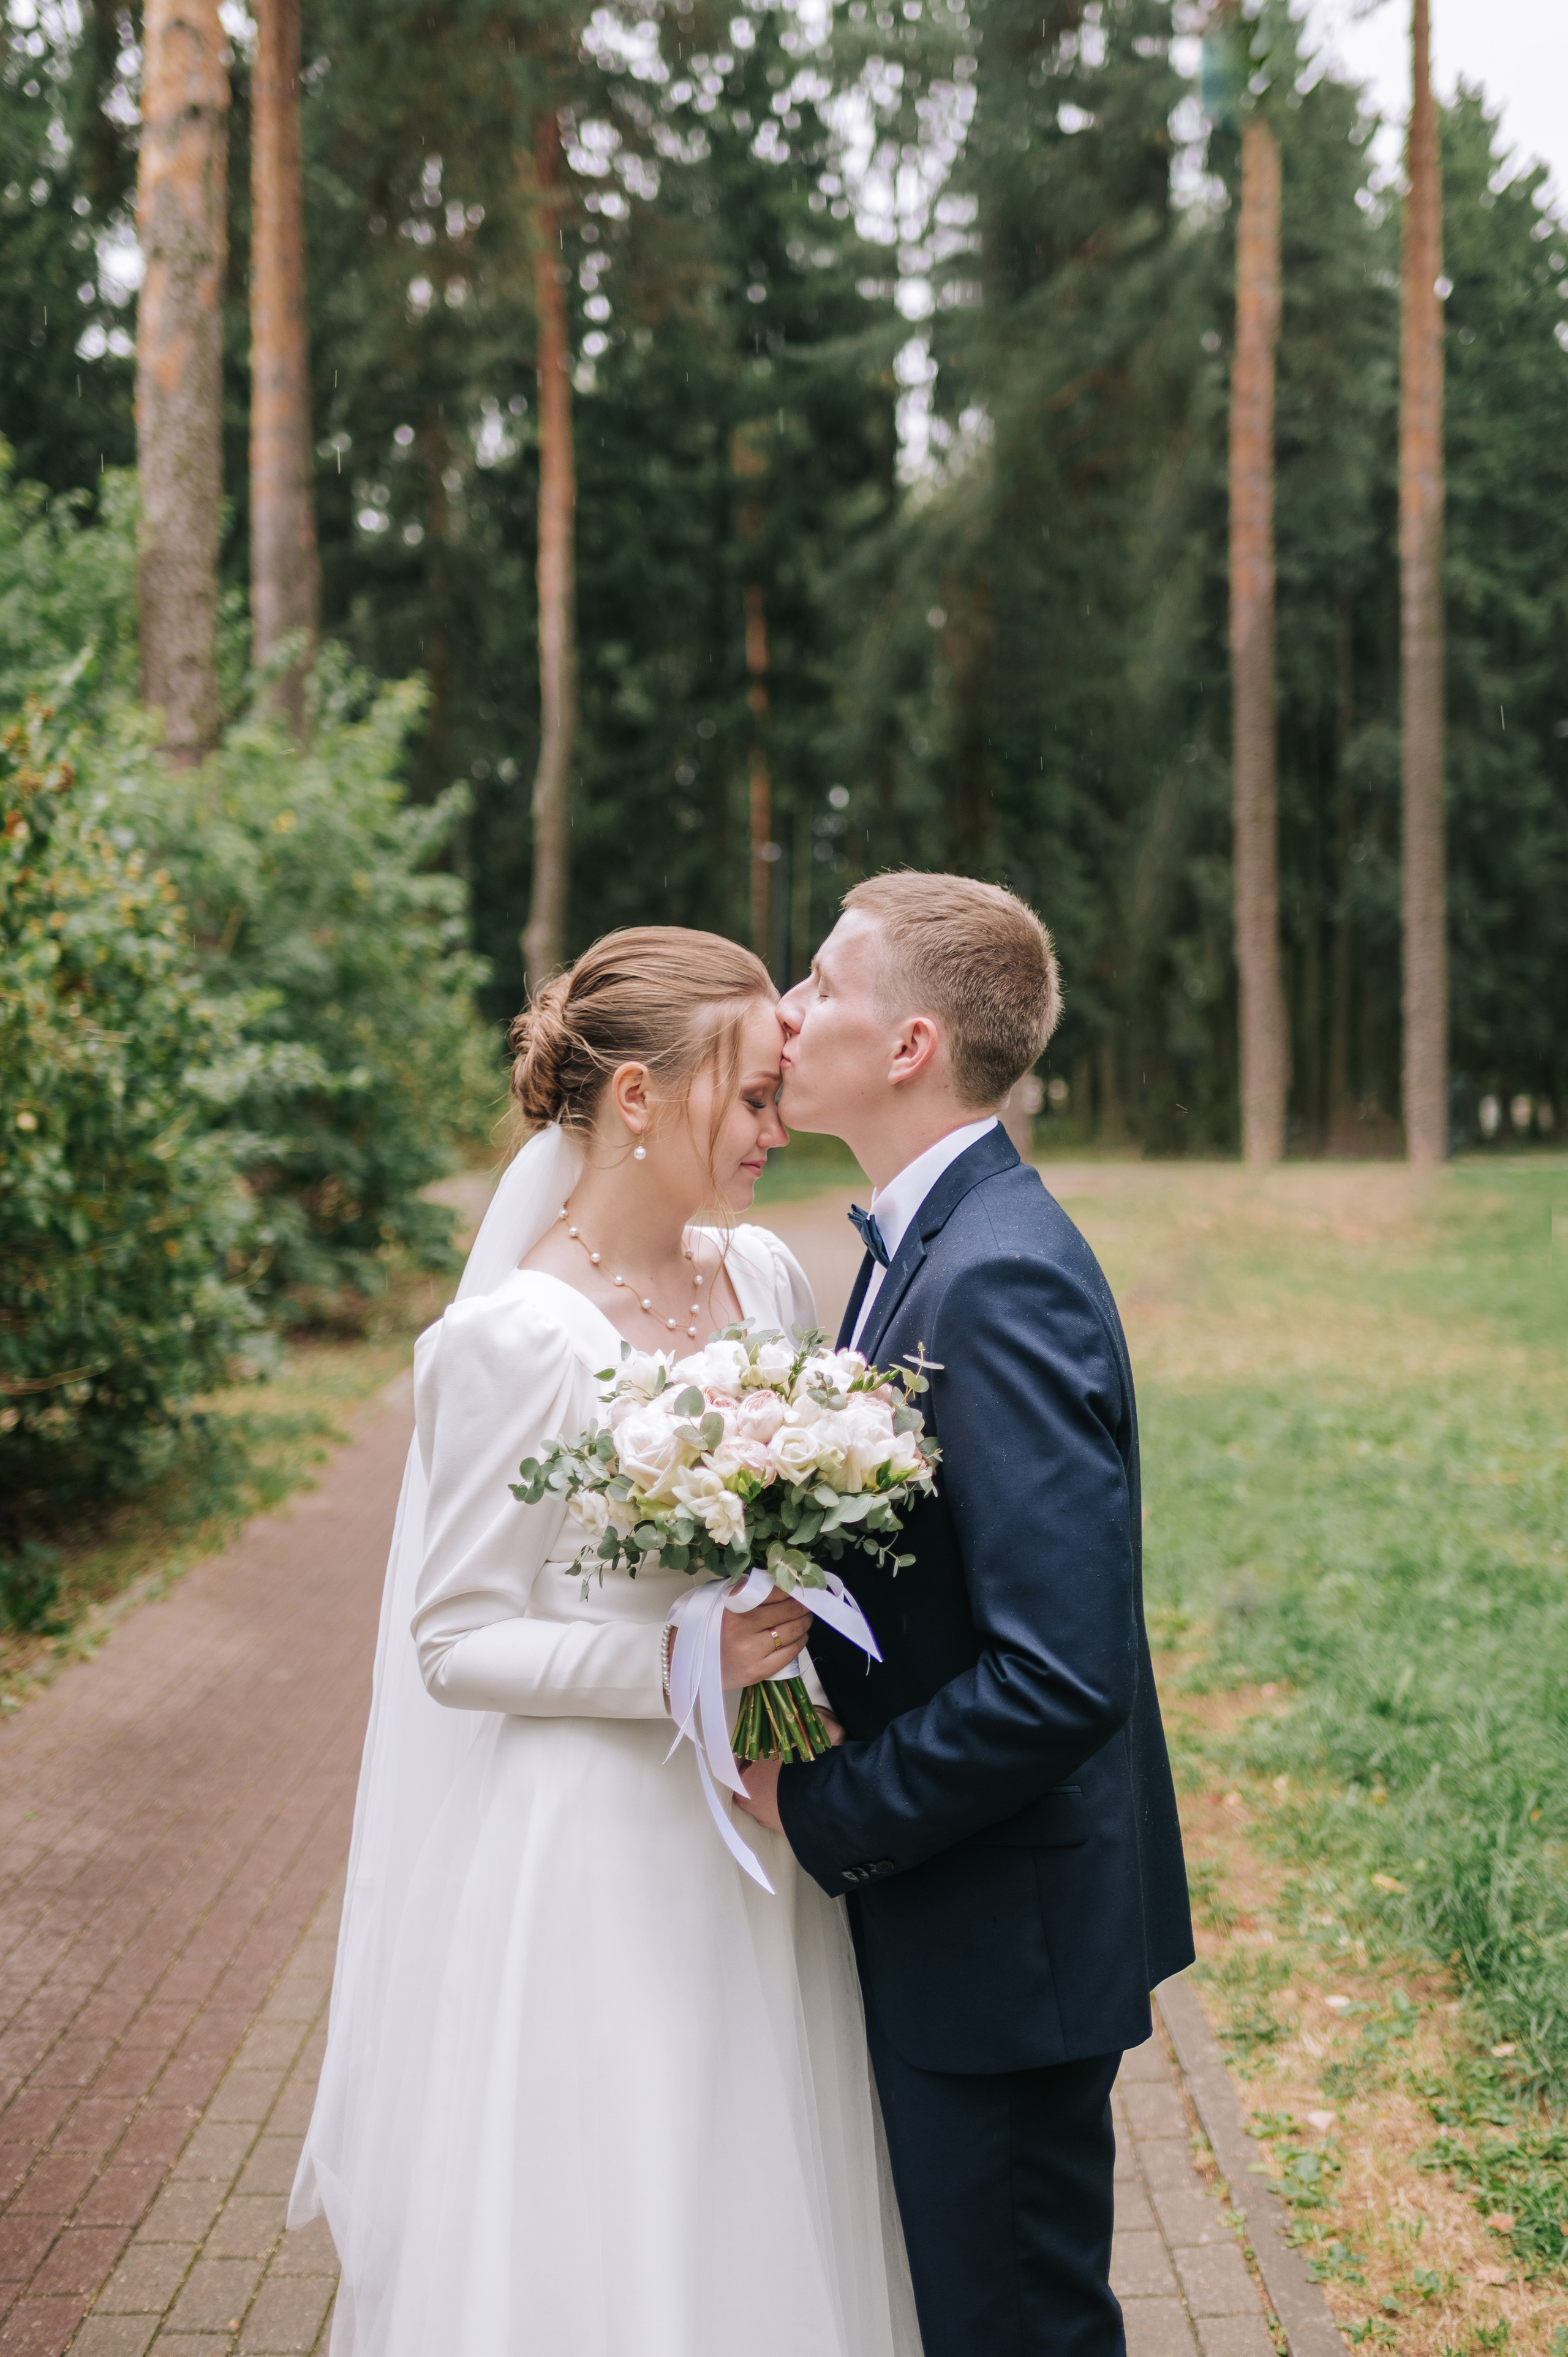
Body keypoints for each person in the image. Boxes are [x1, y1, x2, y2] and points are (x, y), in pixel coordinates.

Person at [290, 927, 921, 2357]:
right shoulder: (513, 1341)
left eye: (774, 1096)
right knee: (620, 2199)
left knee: (770, 2177)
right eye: (747, 1098)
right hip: (595, 1851)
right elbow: (454, 1640)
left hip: (758, 1838)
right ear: (634, 1098)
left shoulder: (765, 1282)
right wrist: (669, 1670)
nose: (774, 1128)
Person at [736, 872, 1194, 2357]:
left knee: (1014, 2330)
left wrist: (824, 1807)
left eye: (819, 983)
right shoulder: (924, 1248)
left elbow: (1060, 1676)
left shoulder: (992, 1279)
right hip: (971, 1917)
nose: (786, 1014)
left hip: (1001, 1946)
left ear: (912, 1041)